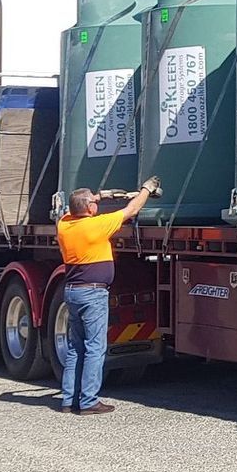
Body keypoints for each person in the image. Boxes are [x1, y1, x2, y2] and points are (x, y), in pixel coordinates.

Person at [56, 177, 159, 414]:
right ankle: (89, 401)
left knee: (75, 348)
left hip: (72, 292)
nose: (97, 205)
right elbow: (132, 209)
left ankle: (68, 400)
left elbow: (71, 209)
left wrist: (99, 195)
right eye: (94, 202)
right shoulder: (96, 226)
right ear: (89, 208)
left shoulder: (64, 226)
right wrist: (146, 189)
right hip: (92, 294)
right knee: (95, 347)